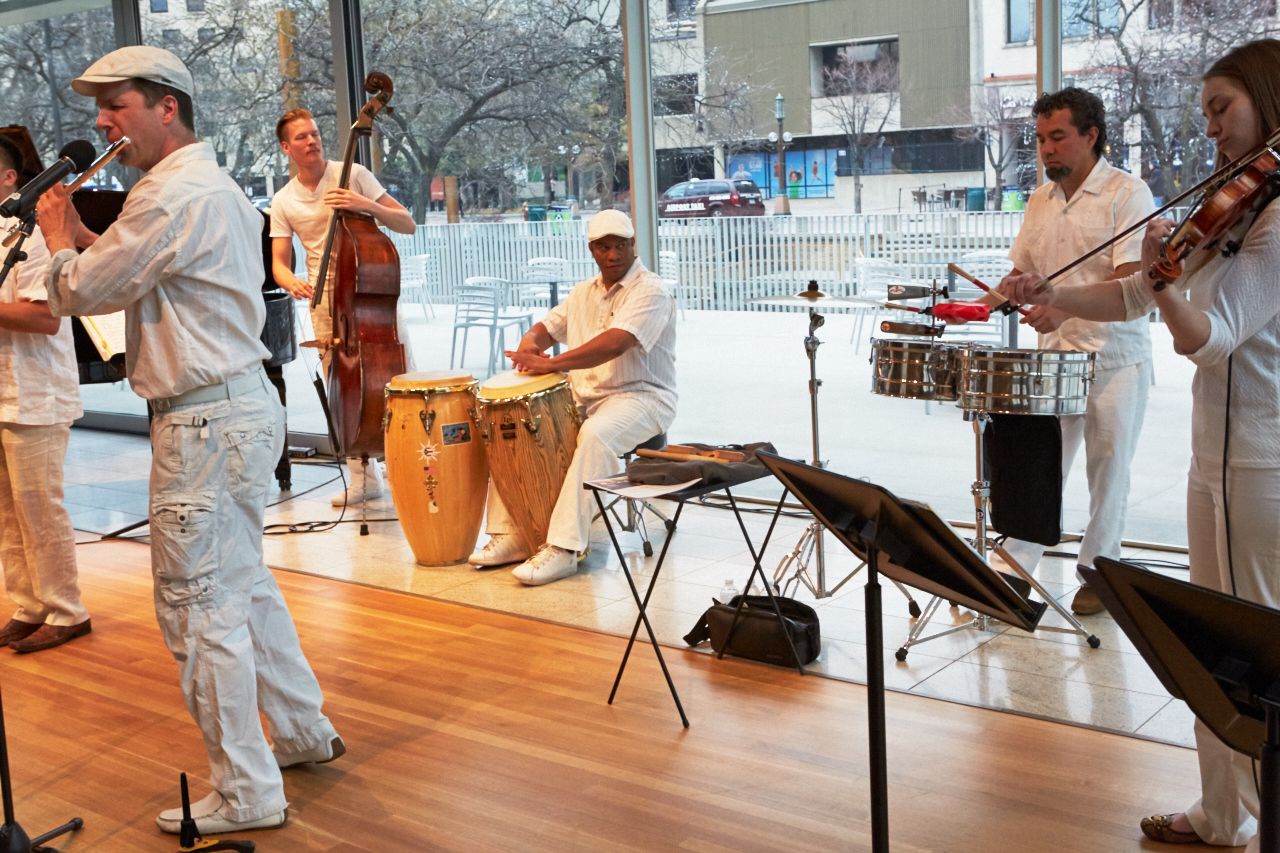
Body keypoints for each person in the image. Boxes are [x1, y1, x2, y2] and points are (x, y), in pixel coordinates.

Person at [35, 46, 342, 837]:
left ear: (166, 107)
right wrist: (83, 234)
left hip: (201, 422)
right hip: (239, 404)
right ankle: (301, 730)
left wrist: (57, 236)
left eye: (117, 104)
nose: (103, 119)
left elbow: (80, 290)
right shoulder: (211, 185)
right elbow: (139, 272)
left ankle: (246, 789)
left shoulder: (166, 195)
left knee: (197, 608)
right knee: (241, 586)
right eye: (100, 106)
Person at [1000, 39, 1280, 851]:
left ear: (1267, 100)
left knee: (1256, 653)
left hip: (1259, 459)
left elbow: (1211, 338)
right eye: (1206, 112)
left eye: (1221, 109)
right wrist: (1057, 293)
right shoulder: (1237, 204)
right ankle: (1221, 811)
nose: (1211, 129)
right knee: (1212, 648)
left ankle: (1265, 816)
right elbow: (1128, 294)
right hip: (1214, 455)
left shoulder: (1275, 216)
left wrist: (1162, 285)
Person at [996, 87, 1156, 615]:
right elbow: (1020, 273)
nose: (1046, 149)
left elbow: (1130, 282)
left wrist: (1062, 308)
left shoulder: (1128, 193)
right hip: (1055, 358)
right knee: (1039, 469)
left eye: (1058, 137)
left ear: (1091, 136)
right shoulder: (1040, 200)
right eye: (1041, 138)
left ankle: (1099, 574)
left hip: (1115, 358)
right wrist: (977, 305)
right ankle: (1014, 569)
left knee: (1108, 471)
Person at [469, 209, 677, 585]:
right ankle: (512, 533)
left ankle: (565, 549)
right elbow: (546, 328)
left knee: (595, 434)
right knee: (513, 422)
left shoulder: (651, 290)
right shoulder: (583, 292)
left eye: (620, 245)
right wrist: (530, 345)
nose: (613, 254)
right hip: (584, 398)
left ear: (633, 245)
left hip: (643, 398)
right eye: (603, 247)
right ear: (592, 250)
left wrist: (551, 364)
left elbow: (616, 342)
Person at [269, 107, 416, 506]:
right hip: (326, 302)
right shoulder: (284, 200)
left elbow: (406, 222)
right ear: (286, 148)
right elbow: (278, 264)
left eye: (315, 133)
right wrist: (290, 281)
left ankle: (406, 466)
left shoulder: (354, 175)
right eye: (301, 137)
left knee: (398, 382)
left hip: (370, 292)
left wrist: (364, 204)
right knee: (343, 389)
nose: (312, 141)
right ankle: (363, 478)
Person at [0, 136, 91, 654]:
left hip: (35, 394)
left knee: (39, 510)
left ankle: (66, 610)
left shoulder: (34, 233)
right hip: (3, 391)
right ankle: (28, 605)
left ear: (10, 178)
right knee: (7, 512)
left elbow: (45, 317)